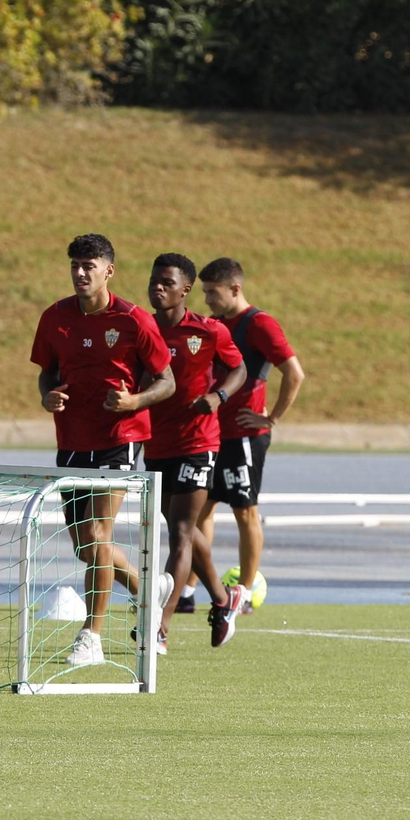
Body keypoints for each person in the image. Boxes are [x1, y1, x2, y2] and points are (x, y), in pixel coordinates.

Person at [30, 234, 174, 668]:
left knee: (98, 536)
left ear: (108, 271)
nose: (79, 273)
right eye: (75, 264)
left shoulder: (133, 320)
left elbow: (167, 381)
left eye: (88, 265)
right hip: (73, 440)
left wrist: (134, 402)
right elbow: (47, 374)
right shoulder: (55, 317)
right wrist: (48, 396)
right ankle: (148, 590)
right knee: (85, 547)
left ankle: (91, 636)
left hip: (120, 439)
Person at [144, 253, 245, 653]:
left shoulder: (208, 331)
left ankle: (159, 627)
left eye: (167, 283)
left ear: (185, 290)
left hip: (198, 442)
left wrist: (218, 395)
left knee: (181, 533)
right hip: (156, 441)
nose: (157, 288)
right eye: (153, 281)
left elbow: (239, 369)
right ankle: (224, 599)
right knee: (179, 526)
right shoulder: (142, 328)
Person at [195, 257, 307, 615]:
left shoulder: (259, 324)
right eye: (205, 292)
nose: (208, 300)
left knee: (245, 512)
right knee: (202, 509)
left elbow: (294, 373)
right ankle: (188, 587)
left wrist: (271, 417)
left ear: (235, 289)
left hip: (244, 435)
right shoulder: (213, 324)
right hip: (211, 433)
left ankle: (243, 591)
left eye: (213, 293)